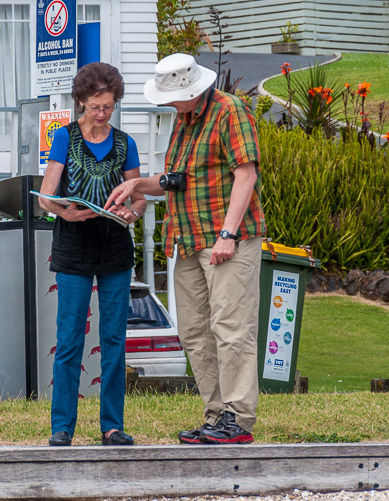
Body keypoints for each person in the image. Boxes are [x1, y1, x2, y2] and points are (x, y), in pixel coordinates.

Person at [105, 53, 265, 445]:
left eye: (171, 97)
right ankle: (216, 415)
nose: (167, 104)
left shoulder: (230, 111)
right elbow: (176, 180)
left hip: (227, 239)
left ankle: (239, 419)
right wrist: (137, 186)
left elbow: (246, 173)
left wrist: (227, 235)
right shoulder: (185, 120)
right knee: (194, 332)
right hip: (188, 239)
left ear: (193, 89)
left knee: (231, 329)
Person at [39, 62, 146, 447]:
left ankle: (112, 426)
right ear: (81, 101)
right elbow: (48, 196)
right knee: (69, 340)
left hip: (115, 246)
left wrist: (132, 211)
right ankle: (62, 426)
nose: (102, 114)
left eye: (109, 106)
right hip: (73, 247)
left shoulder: (125, 143)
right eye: (95, 106)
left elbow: (139, 197)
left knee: (114, 339)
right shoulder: (64, 137)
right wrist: (64, 210)